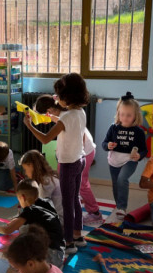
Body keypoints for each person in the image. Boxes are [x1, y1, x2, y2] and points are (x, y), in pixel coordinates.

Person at [24, 73, 89, 254]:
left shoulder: (65, 118)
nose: (56, 99)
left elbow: (45, 139)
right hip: (80, 160)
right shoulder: (79, 112)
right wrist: (55, 120)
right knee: (75, 199)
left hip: (68, 164)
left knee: (67, 203)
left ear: (67, 97)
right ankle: (78, 235)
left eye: (58, 95)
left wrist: (30, 126)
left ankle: (68, 242)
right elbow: (69, 127)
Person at [0, 179, 65, 273]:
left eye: (18, 199)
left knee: (12, 269)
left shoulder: (29, 210)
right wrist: (17, 220)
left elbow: (7, 230)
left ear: (23, 197)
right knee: (25, 228)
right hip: (60, 253)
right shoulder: (46, 202)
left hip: (50, 256)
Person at [34, 94, 102, 225]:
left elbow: (47, 138)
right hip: (79, 153)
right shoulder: (67, 112)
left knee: (81, 184)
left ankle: (95, 213)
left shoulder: (68, 115)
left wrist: (29, 125)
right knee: (72, 185)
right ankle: (71, 212)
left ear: (50, 110)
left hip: (83, 153)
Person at [102, 92, 147, 220]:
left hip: (130, 160)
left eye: (129, 115)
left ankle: (122, 207)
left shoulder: (138, 132)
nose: (125, 117)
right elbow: (104, 143)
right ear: (118, 113)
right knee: (116, 184)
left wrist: (139, 155)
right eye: (122, 114)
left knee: (122, 179)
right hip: (114, 159)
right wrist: (108, 145)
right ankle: (119, 206)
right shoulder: (113, 128)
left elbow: (144, 150)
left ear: (135, 116)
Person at [20, 150, 64, 223]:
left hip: (59, 222)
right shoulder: (50, 177)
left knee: (24, 226)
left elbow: (40, 210)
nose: (25, 173)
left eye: (25, 169)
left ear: (31, 166)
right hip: (62, 218)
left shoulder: (45, 183)